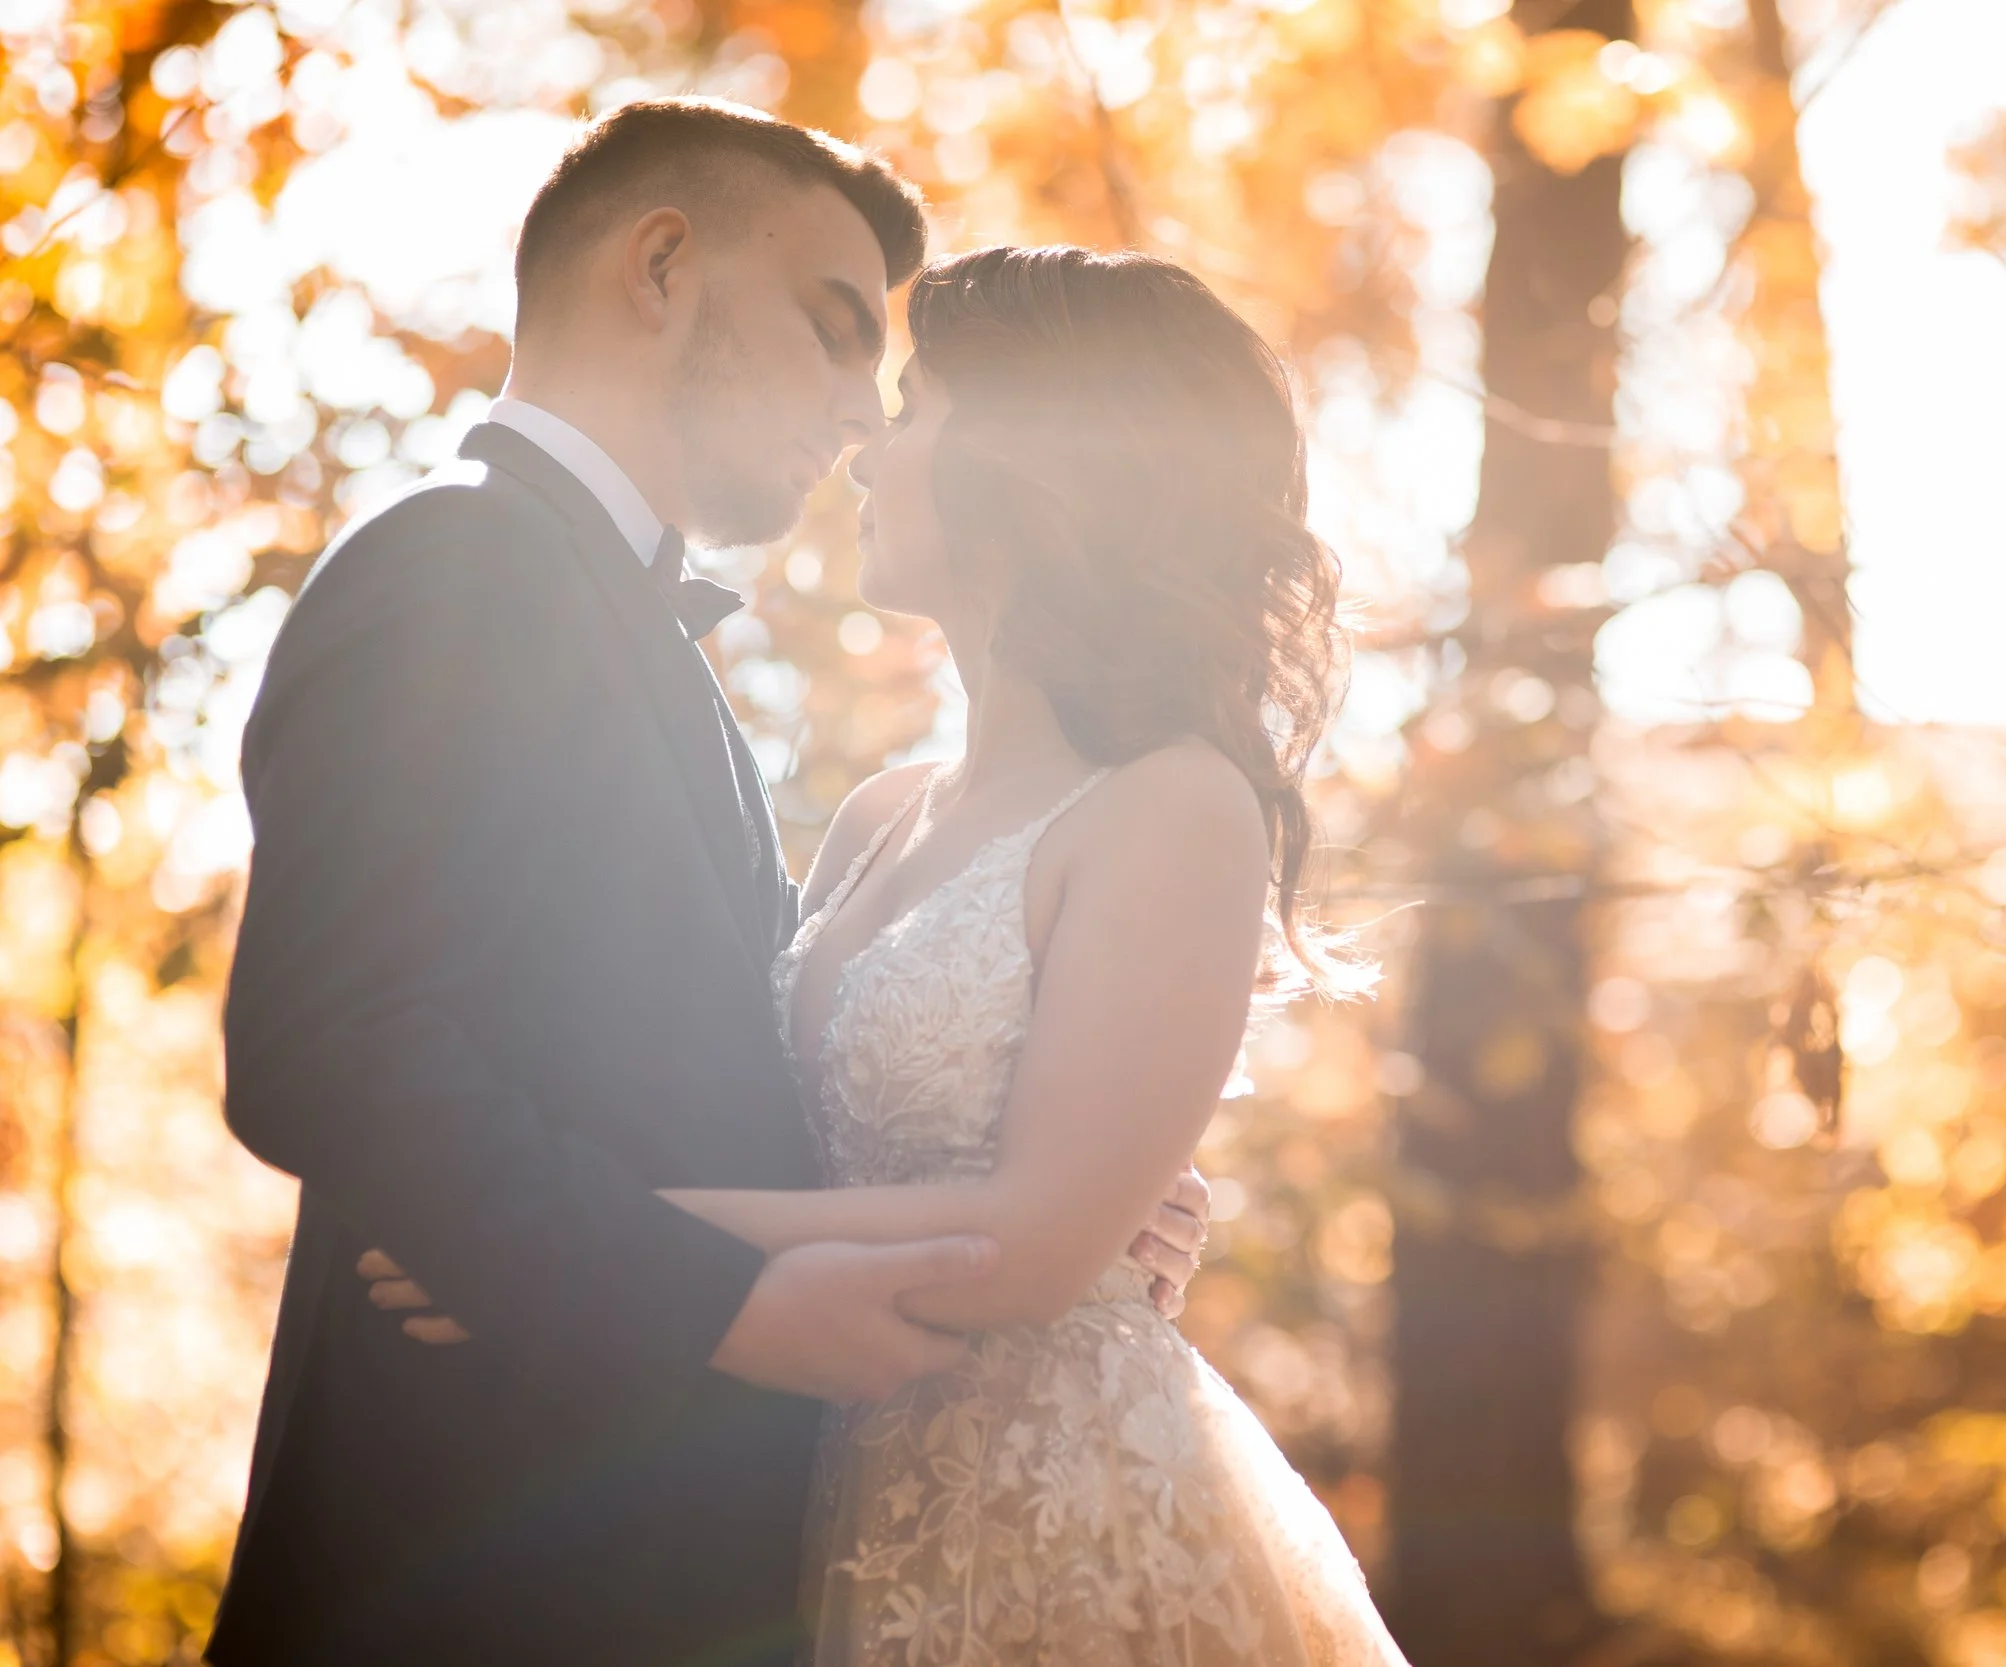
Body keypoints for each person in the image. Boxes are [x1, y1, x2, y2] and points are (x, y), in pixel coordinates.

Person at [211, 100, 1207, 1667]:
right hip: (463, 1565)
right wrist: (715, 1300)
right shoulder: (447, 569)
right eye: (830, 331)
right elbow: (325, 1049)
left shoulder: (650, 647)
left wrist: (1058, 1175)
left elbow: (710, 1078)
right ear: (662, 264)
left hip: (679, 1571)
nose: (860, 414)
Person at [369, 242, 1413, 1664]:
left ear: (1042, 465)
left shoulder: (1177, 802)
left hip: (1054, 1531)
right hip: (814, 1489)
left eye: (917, 404)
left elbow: (1029, 1248)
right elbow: (816, 1138)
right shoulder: (873, 815)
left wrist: (572, 1248)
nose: (867, 440)